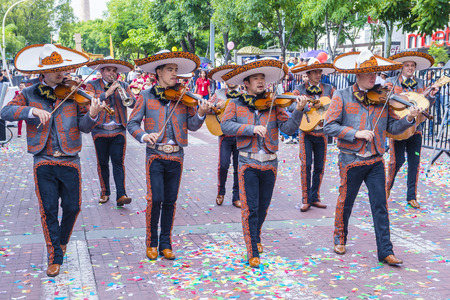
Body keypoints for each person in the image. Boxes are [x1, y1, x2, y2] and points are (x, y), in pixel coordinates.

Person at [1, 44, 104, 276]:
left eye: (63, 68)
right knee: (48, 210)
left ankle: (61, 242)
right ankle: (54, 257)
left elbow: (85, 127)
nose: (62, 72)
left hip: (69, 159)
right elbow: (5, 112)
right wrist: (32, 111)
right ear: (43, 71)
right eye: (56, 69)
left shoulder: (74, 92)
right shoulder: (28, 93)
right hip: (43, 159)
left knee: (72, 207)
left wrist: (93, 114)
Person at [324, 50, 422, 266]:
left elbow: (393, 129)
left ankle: (386, 251)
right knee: (345, 201)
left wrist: (409, 118)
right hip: (351, 159)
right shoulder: (341, 95)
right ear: (357, 74)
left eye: (375, 72)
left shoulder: (383, 98)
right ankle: (340, 237)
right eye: (369, 72)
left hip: (376, 159)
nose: (373, 76)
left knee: (380, 205)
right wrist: (354, 133)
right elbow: (328, 126)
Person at [221, 59, 307, 267]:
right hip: (247, 162)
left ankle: (255, 236)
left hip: (270, 162)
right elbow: (225, 126)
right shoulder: (235, 103)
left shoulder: (274, 104)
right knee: (250, 208)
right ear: (246, 83)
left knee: (263, 207)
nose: (260, 82)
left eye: (262, 78)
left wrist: (299, 110)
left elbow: (287, 129)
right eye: (256, 79)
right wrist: (250, 129)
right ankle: (252, 250)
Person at [128, 50, 209, 261]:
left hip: (177, 156)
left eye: (176, 70)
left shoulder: (183, 97)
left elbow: (192, 125)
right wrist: (144, 136)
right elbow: (132, 123)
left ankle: (166, 243)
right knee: (155, 199)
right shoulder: (145, 96)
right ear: (159, 72)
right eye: (170, 70)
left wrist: (201, 113)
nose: (175, 74)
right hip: (155, 154)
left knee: (171, 201)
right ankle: (152, 242)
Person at [385, 51, 439, 208]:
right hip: (399, 128)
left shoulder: (422, 83)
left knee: (414, 163)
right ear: (401, 67)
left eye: (412, 66)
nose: (409, 68)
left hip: (416, 129)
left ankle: (411, 196)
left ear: (415, 68)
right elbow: (388, 102)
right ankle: (386, 189)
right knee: (396, 161)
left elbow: (426, 105)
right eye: (407, 65)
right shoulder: (391, 81)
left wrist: (432, 96)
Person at [85, 57, 136, 206]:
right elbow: (90, 101)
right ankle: (105, 192)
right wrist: (107, 93)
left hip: (118, 130)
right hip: (100, 129)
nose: (112, 73)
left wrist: (127, 95)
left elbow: (132, 104)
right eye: (108, 70)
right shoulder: (92, 84)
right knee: (102, 163)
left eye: (114, 71)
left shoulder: (124, 85)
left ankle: (121, 194)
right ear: (102, 71)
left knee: (118, 162)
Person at [290, 58, 336, 212]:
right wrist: (305, 106)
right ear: (308, 74)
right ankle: (305, 198)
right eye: (315, 71)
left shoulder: (329, 89)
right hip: (306, 131)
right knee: (306, 164)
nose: (318, 74)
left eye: (319, 71)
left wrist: (322, 108)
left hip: (322, 133)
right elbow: (290, 105)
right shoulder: (299, 88)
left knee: (319, 166)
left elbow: (337, 105)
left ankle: (315, 197)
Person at [207, 64, 241, 208]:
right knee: (224, 165)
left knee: (239, 167)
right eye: (228, 77)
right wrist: (215, 107)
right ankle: (221, 192)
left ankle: (236, 196)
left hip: (240, 135)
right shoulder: (218, 93)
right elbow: (205, 108)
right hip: (224, 135)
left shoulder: (244, 95)